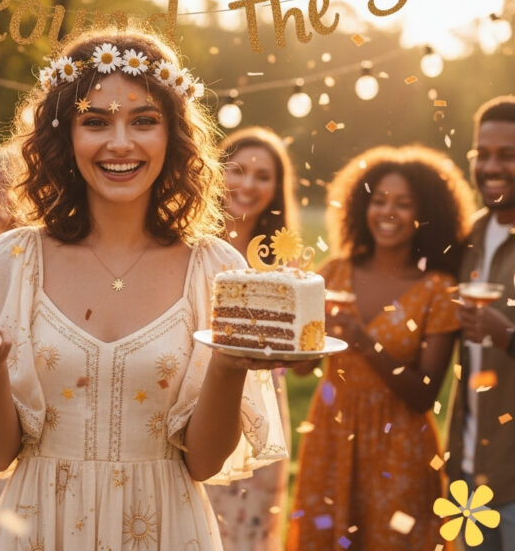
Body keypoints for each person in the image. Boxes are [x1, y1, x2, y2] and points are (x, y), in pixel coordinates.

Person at [0, 29, 288, 550]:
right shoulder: (11, 261)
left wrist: (230, 366)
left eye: (144, 121)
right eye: (95, 121)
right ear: (64, 137)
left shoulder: (216, 270)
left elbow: (205, 463)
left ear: (173, 134)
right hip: (40, 527)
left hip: (164, 529)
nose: (120, 143)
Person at [287, 145, 475, 551]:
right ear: (362, 207)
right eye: (379, 200)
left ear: (426, 215)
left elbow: (424, 394)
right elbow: (300, 369)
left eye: (404, 204)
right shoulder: (334, 272)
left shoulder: (438, 290)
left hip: (400, 447)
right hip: (331, 435)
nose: (388, 212)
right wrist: (296, 312)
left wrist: (363, 341)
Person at [206, 127, 295, 551]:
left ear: (276, 189)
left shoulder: (284, 265)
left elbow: (298, 361)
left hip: (262, 403)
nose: (247, 184)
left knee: (249, 526)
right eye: (237, 170)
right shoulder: (188, 246)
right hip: (196, 393)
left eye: (263, 176)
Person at [448, 95, 515, 550]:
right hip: (469, 474)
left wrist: (505, 336)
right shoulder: (469, 235)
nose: (491, 167)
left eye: (507, 155)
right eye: (482, 154)